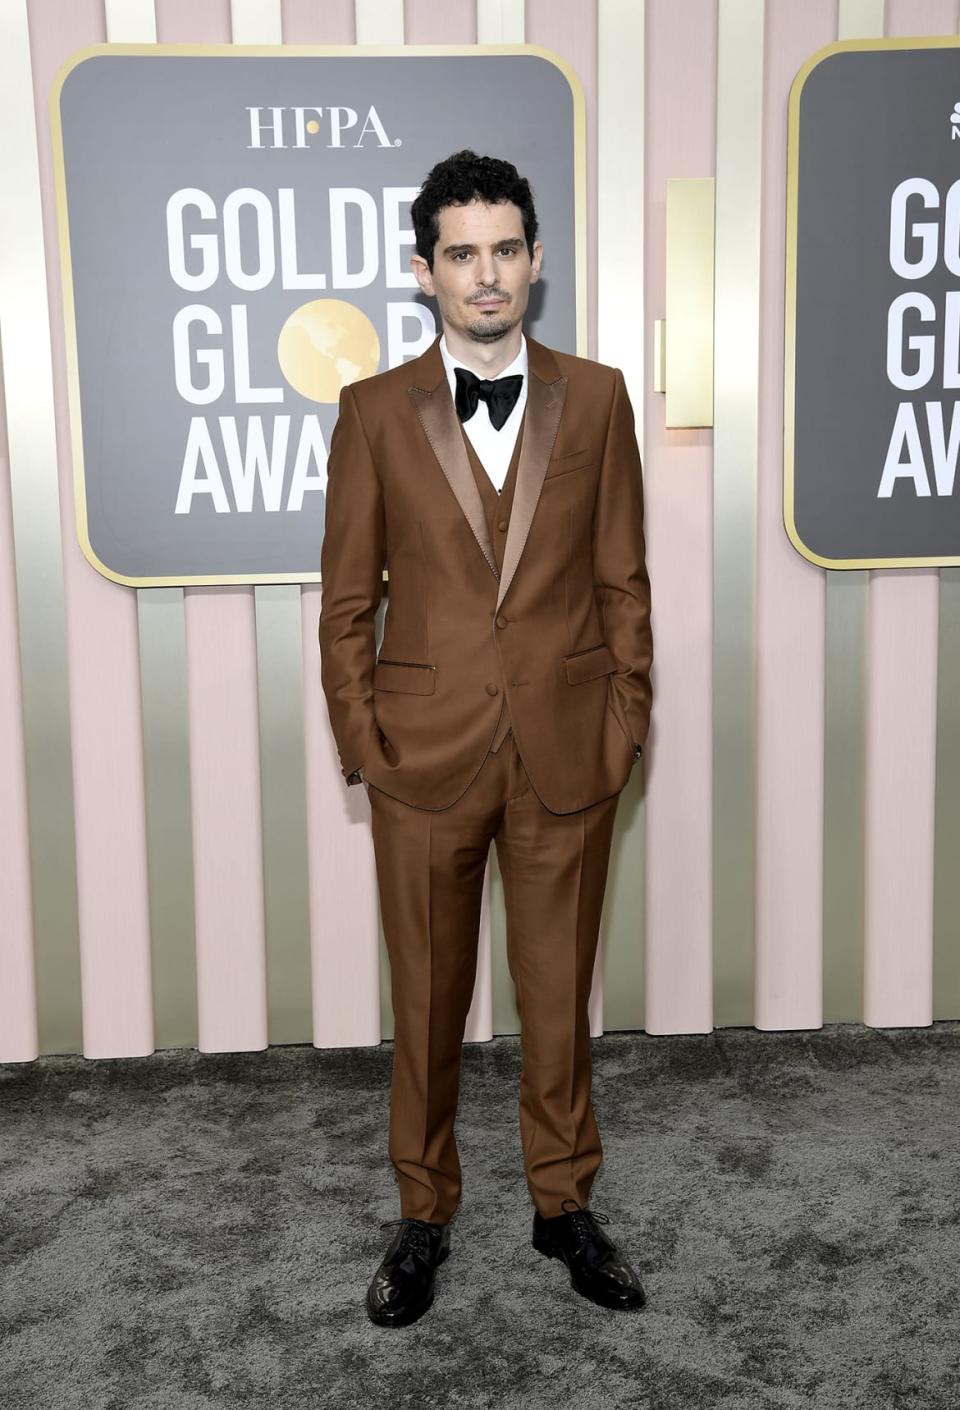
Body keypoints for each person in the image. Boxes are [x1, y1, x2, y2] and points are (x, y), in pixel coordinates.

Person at [318, 150, 653, 1327]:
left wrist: (626, 724)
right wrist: (365, 744)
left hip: (569, 752)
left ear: (537, 260)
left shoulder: (600, 398)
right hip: (422, 758)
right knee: (427, 1001)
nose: (487, 272)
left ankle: (564, 1207)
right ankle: (424, 1216)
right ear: (425, 273)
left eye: (506, 247)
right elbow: (347, 603)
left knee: (559, 997)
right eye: (461, 252)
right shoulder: (370, 412)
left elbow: (624, 580)